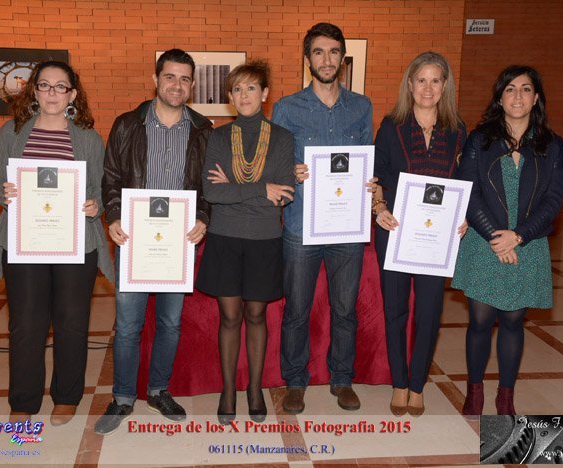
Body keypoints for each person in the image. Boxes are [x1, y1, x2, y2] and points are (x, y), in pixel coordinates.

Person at [0, 61, 113, 425]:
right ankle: (23, 400)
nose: (52, 93)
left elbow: (101, 188)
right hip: (25, 241)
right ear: (34, 91)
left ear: (72, 94)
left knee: (72, 321)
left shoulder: (88, 138)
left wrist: (95, 206)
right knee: (26, 323)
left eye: (61, 87)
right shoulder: (12, 132)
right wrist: (5, 191)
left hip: (75, 243)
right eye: (44, 85)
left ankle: (67, 397)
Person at [95, 49, 212, 435]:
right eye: (170, 77)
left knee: (169, 323)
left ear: (192, 85)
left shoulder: (203, 129)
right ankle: (122, 397)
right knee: (128, 325)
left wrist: (203, 216)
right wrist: (114, 215)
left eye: (185, 79)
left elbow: (209, 186)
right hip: (134, 239)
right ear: (155, 80)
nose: (177, 85)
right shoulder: (127, 124)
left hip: (177, 243)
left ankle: (159, 390)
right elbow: (111, 177)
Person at [452, 65, 563, 415]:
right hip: (484, 241)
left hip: (527, 243)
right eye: (510, 89)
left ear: (536, 98)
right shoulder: (480, 140)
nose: (518, 96)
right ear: (500, 98)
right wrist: (495, 237)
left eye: (526, 89)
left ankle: (505, 396)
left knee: (514, 321)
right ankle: (474, 392)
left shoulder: (552, 145)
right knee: (479, 321)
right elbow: (469, 191)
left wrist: (518, 236)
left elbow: (553, 199)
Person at [272, 23, 374, 414]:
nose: (326, 59)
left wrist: (370, 182)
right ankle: (295, 381)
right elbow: (275, 166)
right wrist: (289, 171)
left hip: (347, 227)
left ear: (342, 59)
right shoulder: (287, 108)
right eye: (318, 52)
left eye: (333, 52)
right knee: (296, 310)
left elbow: (366, 161)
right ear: (308, 59)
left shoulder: (361, 107)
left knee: (345, 309)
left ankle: (342, 378)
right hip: (301, 225)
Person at [196, 60, 295, 424]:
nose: (244, 95)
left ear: (265, 94)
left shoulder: (282, 138)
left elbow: (284, 195)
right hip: (224, 237)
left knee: (256, 314)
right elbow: (212, 193)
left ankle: (254, 388)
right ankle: (227, 390)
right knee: (229, 316)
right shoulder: (218, 137)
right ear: (230, 96)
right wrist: (261, 189)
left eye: (251, 87)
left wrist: (236, 189)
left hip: (264, 238)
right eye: (237, 89)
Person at [372, 51, 467, 416]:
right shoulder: (391, 125)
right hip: (395, 231)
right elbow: (377, 175)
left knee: (429, 312)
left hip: (437, 239)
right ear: (410, 84)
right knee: (395, 310)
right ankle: (399, 383)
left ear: (445, 86)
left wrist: (464, 217)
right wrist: (379, 209)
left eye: (435, 80)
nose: (428, 88)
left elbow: (465, 181)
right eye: (421, 80)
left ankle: (417, 385)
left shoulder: (457, 129)